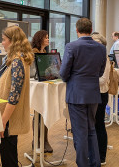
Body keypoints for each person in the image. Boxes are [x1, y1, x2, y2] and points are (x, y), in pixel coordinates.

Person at [59, 18, 106, 167]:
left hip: (76, 95)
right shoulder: (101, 48)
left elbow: (64, 72)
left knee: (79, 133)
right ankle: (94, 164)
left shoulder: (71, 46)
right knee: (91, 129)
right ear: (91, 30)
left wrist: (70, 78)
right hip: (93, 94)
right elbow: (100, 72)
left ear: (76, 30)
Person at [0, 26, 34, 167]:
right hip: (9, 116)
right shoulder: (17, 59)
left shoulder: (17, 61)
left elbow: (14, 96)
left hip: (9, 117)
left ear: (12, 41)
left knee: (8, 155)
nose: (2, 43)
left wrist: (3, 120)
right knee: (10, 152)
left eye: (4, 40)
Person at [31, 30, 53, 153]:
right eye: (46, 37)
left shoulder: (44, 52)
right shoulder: (33, 52)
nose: (48, 40)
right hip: (36, 87)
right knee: (38, 112)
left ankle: (44, 140)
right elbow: (34, 71)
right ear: (40, 39)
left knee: (44, 113)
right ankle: (36, 140)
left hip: (44, 85)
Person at [91, 32, 111, 166]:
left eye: (95, 42)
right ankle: (94, 153)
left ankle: (102, 155)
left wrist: (85, 79)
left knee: (99, 125)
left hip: (100, 94)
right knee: (93, 125)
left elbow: (103, 80)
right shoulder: (93, 56)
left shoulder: (105, 58)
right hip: (92, 94)